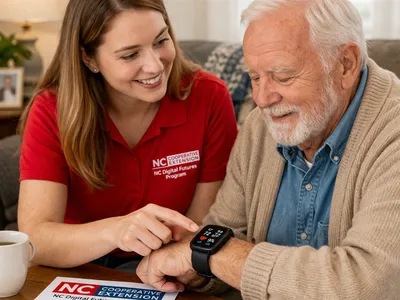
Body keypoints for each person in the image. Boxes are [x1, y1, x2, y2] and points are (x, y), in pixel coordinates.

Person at [136, 0, 400, 299]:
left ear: (346, 65)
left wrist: (216, 254)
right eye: (255, 77)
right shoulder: (261, 127)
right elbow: (224, 236)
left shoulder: (393, 136)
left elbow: (367, 285)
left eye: (283, 76)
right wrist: (193, 264)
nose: (262, 99)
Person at [17, 0, 237, 271]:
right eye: (130, 55)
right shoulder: (51, 109)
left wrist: (159, 264)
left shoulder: (210, 97)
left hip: (171, 261)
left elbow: (201, 223)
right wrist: (117, 231)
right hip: (78, 264)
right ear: (89, 58)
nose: (155, 66)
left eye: (160, 41)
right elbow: (35, 239)